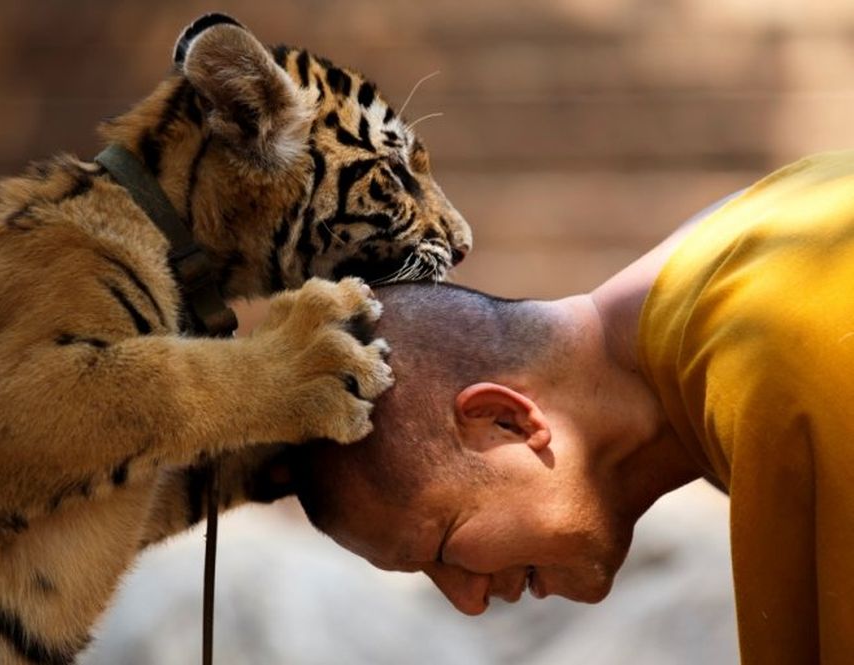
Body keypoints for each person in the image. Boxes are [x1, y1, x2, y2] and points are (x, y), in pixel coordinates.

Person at [290, 151, 854, 664]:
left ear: (505, 419)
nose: (469, 602)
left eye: (442, 550)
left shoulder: (787, 349)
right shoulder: (742, 247)